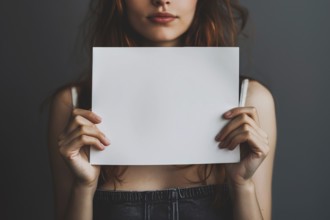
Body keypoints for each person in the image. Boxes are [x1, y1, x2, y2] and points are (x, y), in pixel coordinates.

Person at [48, 0, 277, 219]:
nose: (162, 1)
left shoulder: (251, 102)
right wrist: (84, 187)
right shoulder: (71, 106)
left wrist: (242, 185)